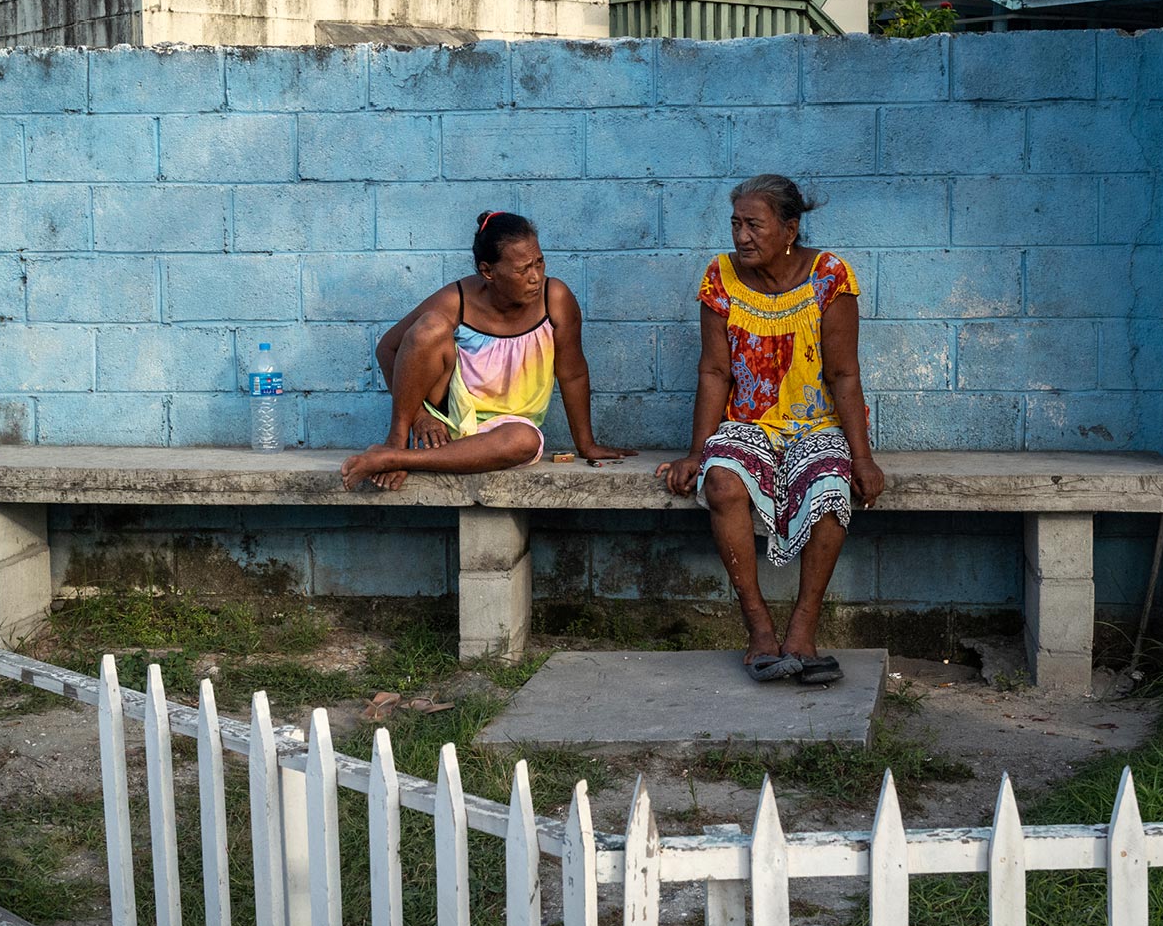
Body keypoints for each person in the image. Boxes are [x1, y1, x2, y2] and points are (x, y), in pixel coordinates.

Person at [658, 175, 884, 683]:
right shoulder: (720, 278)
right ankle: (759, 628)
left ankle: (803, 630)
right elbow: (714, 372)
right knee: (721, 480)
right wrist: (697, 451)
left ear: (789, 229)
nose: (742, 236)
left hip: (816, 424)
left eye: (754, 225)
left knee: (830, 484)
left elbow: (844, 373)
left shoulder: (829, 277)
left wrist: (863, 458)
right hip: (748, 424)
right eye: (736, 224)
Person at [341, 211, 633, 490]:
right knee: (430, 326)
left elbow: (573, 374)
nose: (535, 277)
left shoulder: (554, 298)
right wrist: (419, 417)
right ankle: (396, 441)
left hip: (507, 431)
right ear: (488, 271)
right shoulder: (459, 298)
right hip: (446, 424)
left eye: (539, 263)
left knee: (526, 440)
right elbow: (388, 349)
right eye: (522, 269)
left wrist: (586, 445)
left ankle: (397, 459)